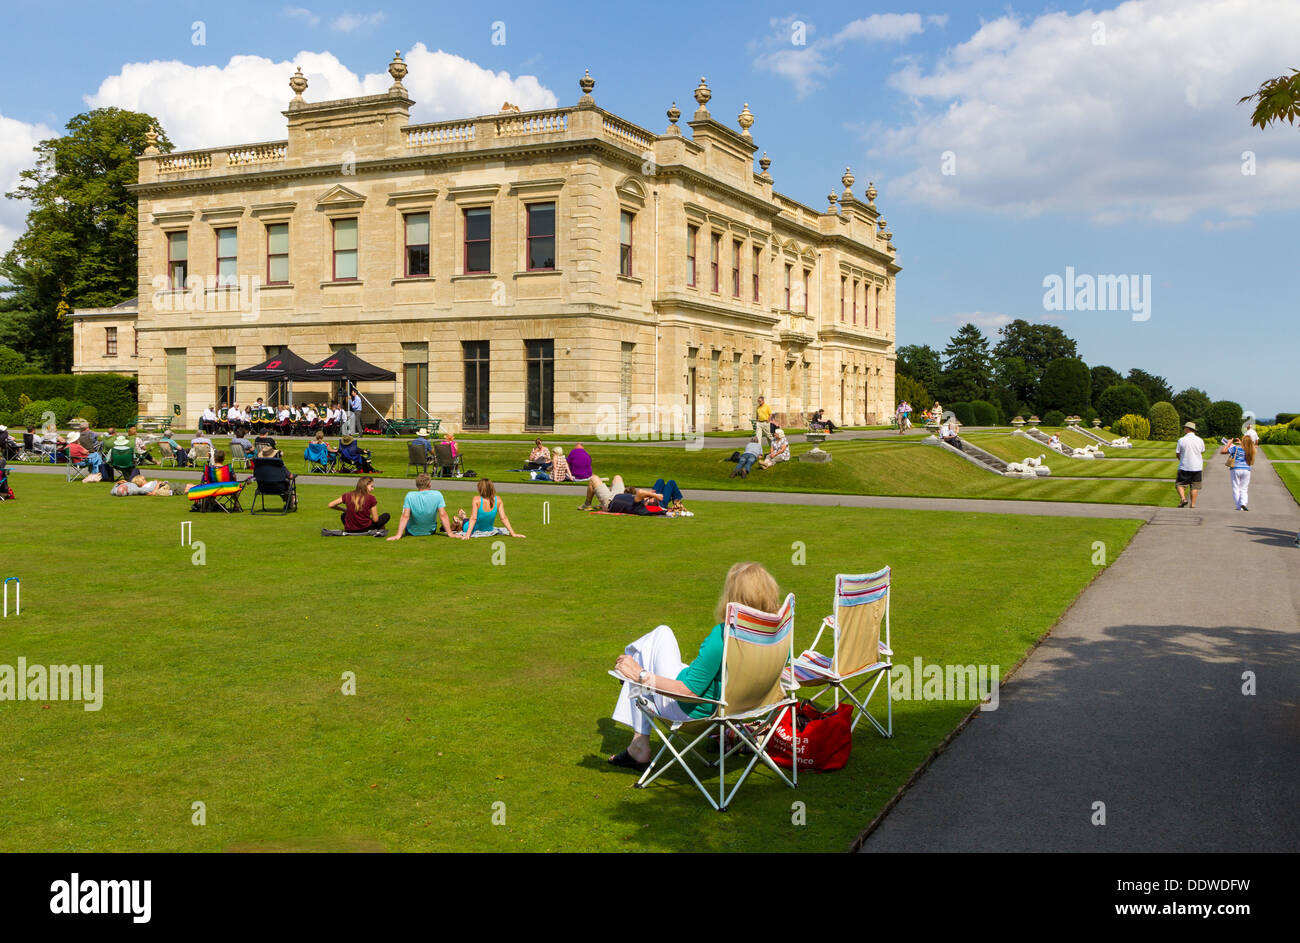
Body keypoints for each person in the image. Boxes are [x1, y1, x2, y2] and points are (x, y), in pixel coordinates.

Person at [609, 561, 783, 770]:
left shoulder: (723, 637)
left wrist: (641, 676)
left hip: (691, 708)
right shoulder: (778, 636)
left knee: (653, 644)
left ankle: (638, 743)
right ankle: (637, 737)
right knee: (653, 644)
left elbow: (687, 691)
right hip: (745, 704)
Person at [387, 473, 459, 539]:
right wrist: (450, 533)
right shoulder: (437, 494)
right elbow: (442, 515)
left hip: (412, 531)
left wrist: (398, 535)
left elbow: (405, 516)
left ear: (417, 485)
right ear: (429, 484)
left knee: (405, 511)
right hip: (430, 531)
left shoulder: (409, 496)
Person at [454, 479, 525, 538]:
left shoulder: (476, 499)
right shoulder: (498, 500)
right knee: (466, 522)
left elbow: (473, 518)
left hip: (473, 528)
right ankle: (462, 518)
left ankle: (462, 518)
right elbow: (503, 518)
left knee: (465, 523)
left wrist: (467, 534)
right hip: (485, 528)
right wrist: (513, 533)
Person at [1219, 433, 1256, 511]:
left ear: (1243, 441)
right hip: (1246, 469)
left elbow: (1223, 451)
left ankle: (1239, 506)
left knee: (1236, 487)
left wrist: (1229, 443)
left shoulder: (1235, 448)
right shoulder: (1251, 450)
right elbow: (1246, 446)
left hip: (1235, 469)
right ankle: (1243, 503)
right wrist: (1241, 442)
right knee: (1244, 488)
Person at [1175, 421, 1205, 509]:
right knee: (1194, 486)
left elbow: (1178, 453)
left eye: (1185, 428)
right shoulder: (1200, 440)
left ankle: (1183, 498)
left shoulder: (1181, 440)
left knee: (1180, 484)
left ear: (1188, 429)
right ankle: (1193, 504)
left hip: (1185, 465)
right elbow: (1202, 451)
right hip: (1197, 466)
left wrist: (1181, 459)